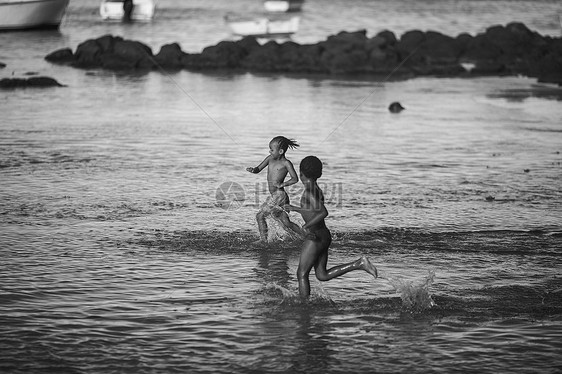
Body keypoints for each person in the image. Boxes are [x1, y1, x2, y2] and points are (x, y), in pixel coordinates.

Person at [284, 156, 379, 299]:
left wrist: (306, 225)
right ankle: (359, 264)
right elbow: (313, 210)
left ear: (301, 173)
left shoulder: (309, 192)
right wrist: (295, 208)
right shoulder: (315, 189)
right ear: (319, 174)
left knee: (302, 273)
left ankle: (304, 306)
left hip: (315, 237)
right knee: (322, 275)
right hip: (323, 235)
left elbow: (323, 212)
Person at [246, 136, 303, 244]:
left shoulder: (286, 163)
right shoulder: (269, 158)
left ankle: (263, 240)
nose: (269, 151)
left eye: (272, 149)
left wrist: (283, 184)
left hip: (279, 195)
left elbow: (295, 179)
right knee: (285, 222)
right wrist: (253, 170)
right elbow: (258, 169)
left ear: (280, 151)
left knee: (260, 216)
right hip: (276, 196)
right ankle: (304, 236)